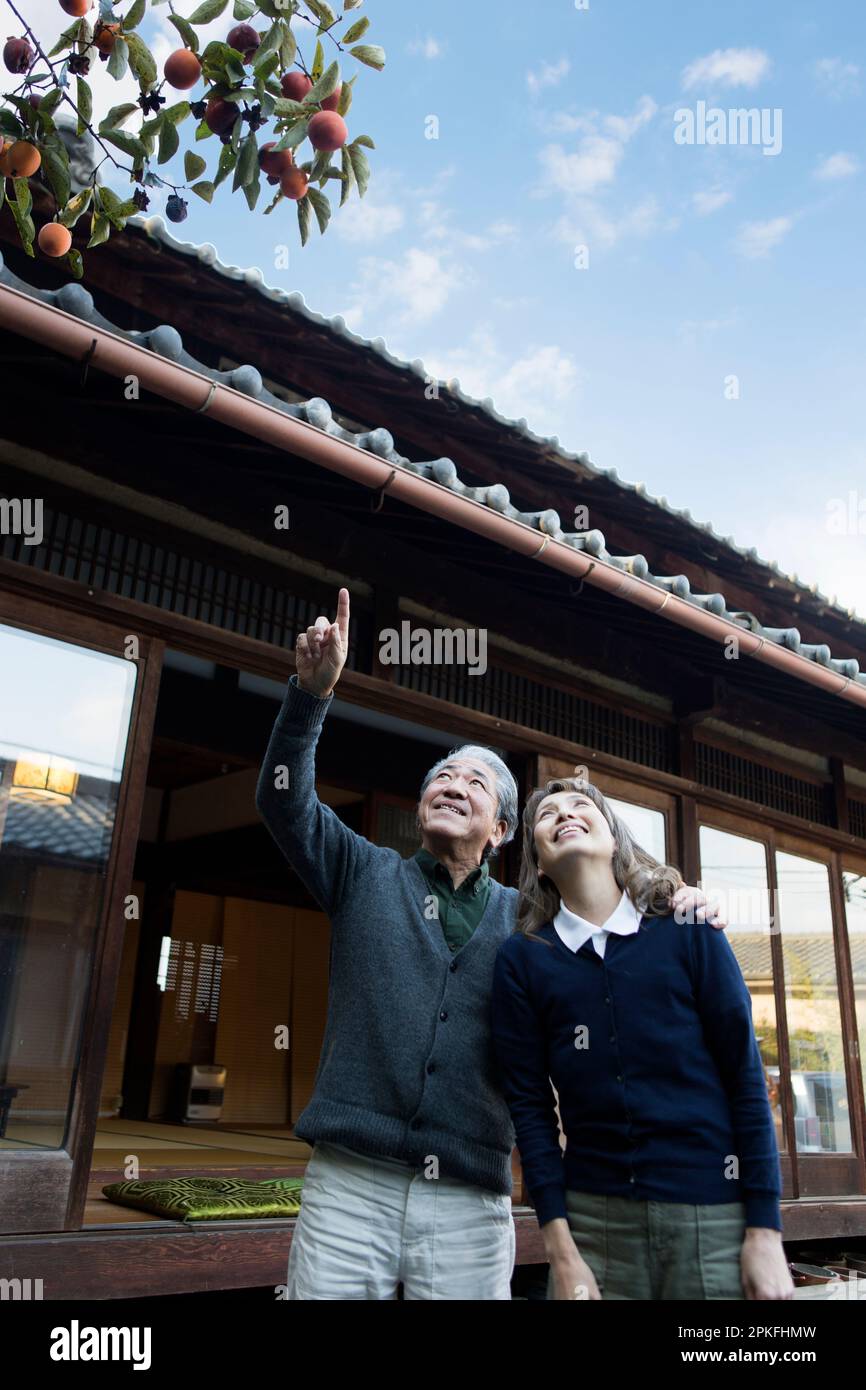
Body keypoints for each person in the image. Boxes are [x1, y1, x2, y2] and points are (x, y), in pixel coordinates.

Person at [255, 589, 727, 1300]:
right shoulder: (364, 872)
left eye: (476, 782)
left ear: (503, 832)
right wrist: (308, 698)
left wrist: (677, 904)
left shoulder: (529, 921)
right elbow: (284, 802)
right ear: (421, 808)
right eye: (442, 777)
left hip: (471, 1199)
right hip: (350, 1183)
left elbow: (613, 946)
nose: (453, 785)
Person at [491, 776, 794, 1301]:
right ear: (538, 863)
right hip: (595, 1226)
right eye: (547, 815)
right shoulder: (522, 960)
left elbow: (746, 1076)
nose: (565, 814)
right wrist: (561, 1253)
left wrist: (765, 1231)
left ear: (614, 838)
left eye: (582, 806)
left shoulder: (689, 927)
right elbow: (530, 1109)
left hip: (714, 1216)